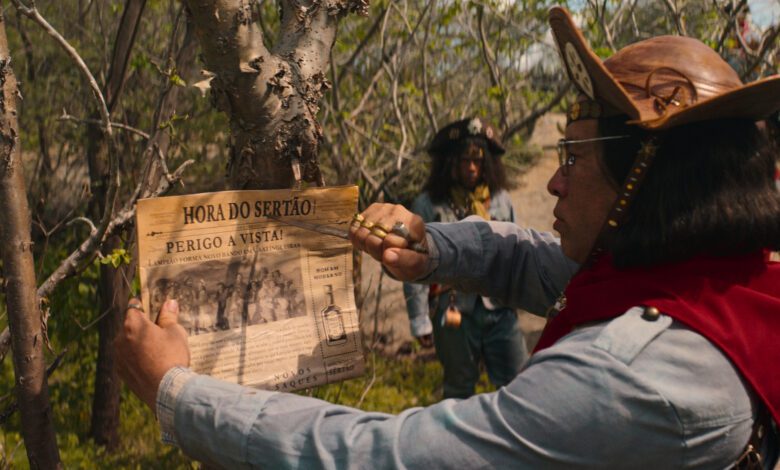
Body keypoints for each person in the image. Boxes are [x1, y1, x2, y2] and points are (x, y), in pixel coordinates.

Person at [115, 7, 780, 468]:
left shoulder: (630, 380)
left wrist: (177, 391)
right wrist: (434, 245)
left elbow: (391, 457)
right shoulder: (724, 287)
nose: (554, 184)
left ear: (642, 184)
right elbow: (535, 260)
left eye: (574, 159)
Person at [401, 117, 527, 398]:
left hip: (500, 306)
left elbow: (519, 251)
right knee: (459, 389)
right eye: (464, 161)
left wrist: (521, 295)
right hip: (453, 309)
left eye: (478, 160)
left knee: (519, 382)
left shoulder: (501, 200)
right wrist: (419, 319)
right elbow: (413, 264)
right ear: (450, 164)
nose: (472, 167)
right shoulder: (429, 205)